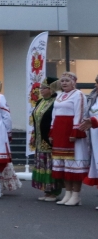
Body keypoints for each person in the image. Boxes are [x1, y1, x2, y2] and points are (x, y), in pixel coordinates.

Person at [50, 72, 89, 206]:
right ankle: (67, 193)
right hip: (60, 132)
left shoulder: (79, 95)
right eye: (62, 81)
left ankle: (76, 195)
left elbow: (80, 112)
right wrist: (51, 132)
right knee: (64, 165)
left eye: (67, 81)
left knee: (74, 164)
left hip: (71, 132)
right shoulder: (59, 96)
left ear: (74, 82)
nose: (64, 83)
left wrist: (75, 131)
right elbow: (54, 115)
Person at [31, 80, 60, 201]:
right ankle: (46, 191)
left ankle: (54, 191)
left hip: (49, 139)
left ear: (51, 89)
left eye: (44, 88)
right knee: (42, 164)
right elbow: (35, 120)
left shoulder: (56, 102)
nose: (41, 90)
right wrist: (33, 134)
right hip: (39, 138)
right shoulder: (40, 101)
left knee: (50, 165)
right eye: (41, 88)